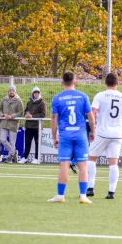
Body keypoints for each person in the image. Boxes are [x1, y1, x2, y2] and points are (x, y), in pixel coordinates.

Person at [48, 71, 95, 203]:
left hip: (65, 136)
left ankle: (60, 195)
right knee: (83, 166)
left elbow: (53, 118)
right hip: (80, 136)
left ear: (62, 82)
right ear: (75, 81)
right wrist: (93, 131)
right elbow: (90, 116)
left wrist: (54, 137)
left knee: (64, 165)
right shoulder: (83, 96)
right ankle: (83, 196)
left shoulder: (57, 98)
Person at [86, 73, 122, 199]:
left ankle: (90, 188)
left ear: (105, 82)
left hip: (101, 132)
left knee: (91, 158)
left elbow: (92, 112)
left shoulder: (100, 95)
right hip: (116, 134)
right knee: (113, 163)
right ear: (118, 83)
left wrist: (92, 129)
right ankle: (111, 192)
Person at [19, 87, 47, 164]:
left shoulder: (42, 103)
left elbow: (43, 114)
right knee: (27, 143)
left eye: (37, 93)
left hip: (37, 126)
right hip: (28, 126)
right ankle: (25, 157)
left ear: (39, 93)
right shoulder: (29, 102)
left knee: (37, 143)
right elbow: (26, 111)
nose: (36, 94)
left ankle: (37, 158)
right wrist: (26, 115)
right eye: (35, 93)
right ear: (32, 94)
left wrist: (32, 116)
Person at [0, 85, 23, 163]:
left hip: (13, 124)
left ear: (15, 91)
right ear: (8, 91)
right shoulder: (4, 99)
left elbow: (20, 112)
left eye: (13, 90)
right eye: (10, 90)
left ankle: (9, 158)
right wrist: (1, 114)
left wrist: (11, 116)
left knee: (12, 142)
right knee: (2, 139)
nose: (11, 91)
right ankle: (14, 152)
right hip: (4, 123)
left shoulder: (19, 100)